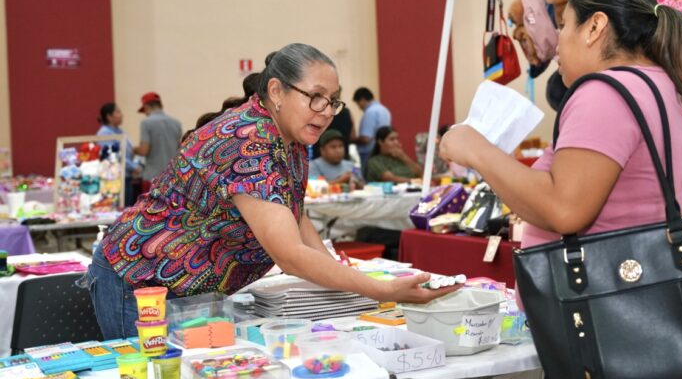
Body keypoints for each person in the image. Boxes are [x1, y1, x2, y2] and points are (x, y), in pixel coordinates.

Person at [440, 0, 682, 379]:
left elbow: (566, 210)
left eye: (564, 25)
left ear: (595, 27)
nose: (556, 41)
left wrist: (477, 150)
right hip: (646, 320)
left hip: (600, 333)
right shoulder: (661, 91)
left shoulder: (604, 94)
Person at [82, 43, 456, 339]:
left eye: (333, 100)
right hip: (142, 281)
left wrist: (344, 274)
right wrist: (382, 291)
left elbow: (296, 215)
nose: (326, 111)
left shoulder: (289, 137)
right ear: (276, 91)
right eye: (316, 97)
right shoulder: (250, 142)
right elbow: (291, 255)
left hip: (186, 288)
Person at [97, 102, 142, 206]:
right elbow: (113, 156)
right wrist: (133, 167)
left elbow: (128, 153)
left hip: (126, 176)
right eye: (118, 112)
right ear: (109, 116)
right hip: (114, 178)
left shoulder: (121, 132)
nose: (121, 114)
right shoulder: (104, 133)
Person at [134, 92, 183, 182]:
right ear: (161, 105)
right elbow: (179, 150)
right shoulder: (176, 123)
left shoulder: (146, 123)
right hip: (172, 177)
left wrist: (133, 150)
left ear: (146, 107)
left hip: (152, 177)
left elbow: (144, 150)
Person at [352, 87, 391, 168]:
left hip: (369, 153)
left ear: (362, 99)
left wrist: (350, 139)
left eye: (358, 103)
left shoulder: (370, 112)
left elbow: (366, 139)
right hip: (381, 151)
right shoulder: (384, 110)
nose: (359, 107)